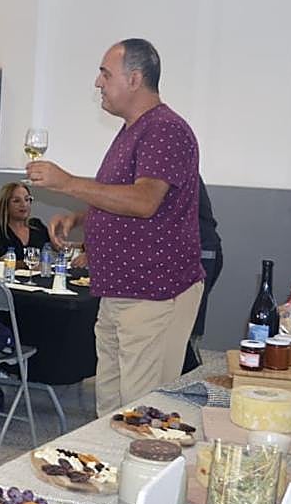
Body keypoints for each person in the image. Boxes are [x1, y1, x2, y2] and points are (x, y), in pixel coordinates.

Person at [28, 38, 204, 417]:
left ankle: (143, 475)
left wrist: (67, 183)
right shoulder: (132, 130)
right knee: (111, 406)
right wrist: (79, 217)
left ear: (135, 79)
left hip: (153, 291)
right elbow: (120, 196)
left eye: (105, 73)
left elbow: (144, 201)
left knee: (141, 412)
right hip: (120, 289)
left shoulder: (164, 130)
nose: (98, 83)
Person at [184, 178, 222, 373]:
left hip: (200, 255)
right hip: (199, 253)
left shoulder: (170, 167)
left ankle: (191, 382)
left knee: (185, 330)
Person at [0, 182, 50, 255]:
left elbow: (56, 248)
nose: (24, 204)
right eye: (17, 201)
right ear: (6, 205)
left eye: (27, 199)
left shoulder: (37, 226)